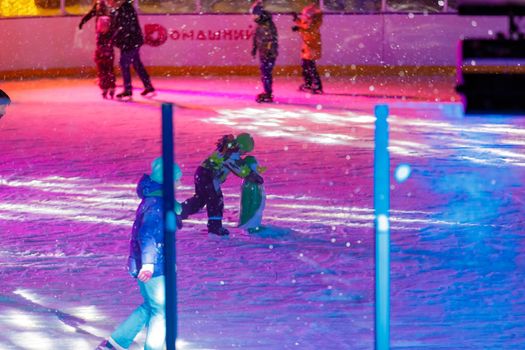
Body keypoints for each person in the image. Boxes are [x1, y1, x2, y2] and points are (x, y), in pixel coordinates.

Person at [96, 157, 182, 350]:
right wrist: (149, 264)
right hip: (154, 265)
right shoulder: (157, 204)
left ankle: (116, 342)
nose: (179, 183)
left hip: (151, 262)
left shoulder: (156, 200)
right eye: (177, 179)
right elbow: (148, 235)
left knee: (151, 306)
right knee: (162, 310)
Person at [180, 133, 263, 236]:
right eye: (245, 151)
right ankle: (215, 227)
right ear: (241, 146)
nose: (244, 153)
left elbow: (237, 163)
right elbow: (240, 169)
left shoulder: (227, 149)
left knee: (200, 199)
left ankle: (178, 212)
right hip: (210, 176)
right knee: (216, 200)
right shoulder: (231, 154)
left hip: (202, 173)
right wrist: (253, 176)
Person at [108, 0, 155, 99]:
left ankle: (128, 90)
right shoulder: (118, 9)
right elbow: (117, 26)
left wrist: (114, 37)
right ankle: (148, 86)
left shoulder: (125, 8)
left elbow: (124, 27)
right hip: (128, 41)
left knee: (124, 64)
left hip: (130, 41)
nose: (108, 2)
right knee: (137, 64)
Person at [79, 0, 117, 99]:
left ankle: (105, 86)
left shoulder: (100, 5)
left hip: (102, 42)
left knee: (102, 67)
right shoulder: (110, 6)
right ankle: (111, 86)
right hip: (108, 43)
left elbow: (92, 13)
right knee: (109, 67)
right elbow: (115, 20)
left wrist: (82, 22)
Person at [292, 2, 323, 94]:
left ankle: (317, 85)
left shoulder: (315, 23)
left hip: (312, 47)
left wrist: (299, 28)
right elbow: (304, 25)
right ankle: (308, 83)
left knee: (311, 67)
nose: (303, 16)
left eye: (305, 14)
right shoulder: (308, 21)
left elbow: (309, 30)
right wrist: (296, 19)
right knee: (305, 66)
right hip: (307, 47)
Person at [250, 1, 278, 103]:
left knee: (266, 73)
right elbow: (256, 37)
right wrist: (254, 48)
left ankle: (268, 93)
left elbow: (271, 39)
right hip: (264, 52)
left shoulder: (267, 24)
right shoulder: (261, 24)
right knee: (265, 73)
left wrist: (268, 52)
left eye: (254, 14)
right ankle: (267, 91)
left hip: (268, 53)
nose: (253, 17)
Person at [238, 155, 267, 233]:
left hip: (251, 187)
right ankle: (250, 224)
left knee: (250, 206)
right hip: (252, 188)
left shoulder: (249, 183)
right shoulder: (251, 183)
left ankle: (249, 223)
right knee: (251, 206)